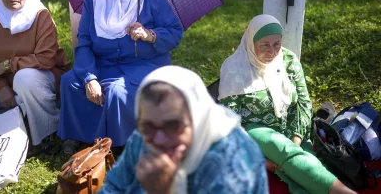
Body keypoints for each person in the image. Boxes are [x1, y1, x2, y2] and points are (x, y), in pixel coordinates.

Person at [58, 0, 183, 154]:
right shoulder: (93, 1)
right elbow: (85, 43)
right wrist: (90, 78)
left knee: (116, 92)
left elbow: (174, 32)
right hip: (102, 63)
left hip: (142, 66)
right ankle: (79, 134)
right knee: (70, 82)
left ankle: (119, 143)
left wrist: (150, 34)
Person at [219, 14, 356, 194]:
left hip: (291, 125)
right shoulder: (234, 69)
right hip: (255, 130)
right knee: (285, 151)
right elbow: (230, 121)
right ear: (251, 42)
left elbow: (304, 103)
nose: (272, 51)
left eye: (277, 44)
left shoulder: (288, 61)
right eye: (264, 45)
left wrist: (297, 137)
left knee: (302, 160)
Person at [99, 65, 268, 194]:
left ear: (198, 118)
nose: (159, 139)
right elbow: (113, 186)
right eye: (147, 126)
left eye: (173, 126)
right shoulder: (142, 137)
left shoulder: (231, 162)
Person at [0, 0, 70, 147]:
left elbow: (45, 59)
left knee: (25, 79)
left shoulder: (40, 14)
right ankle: (15, 124)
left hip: (43, 75)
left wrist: (7, 64)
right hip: (6, 82)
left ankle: (47, 132)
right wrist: (0, 88)